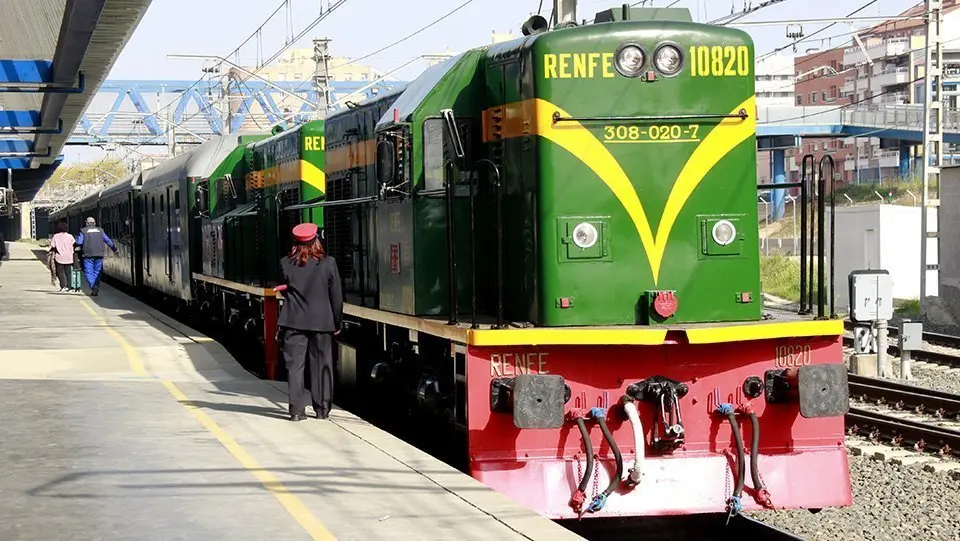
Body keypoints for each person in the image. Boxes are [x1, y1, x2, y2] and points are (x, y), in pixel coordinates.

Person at [276, 222, 343, 422]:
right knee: (322, 364)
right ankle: (322, 409)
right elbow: (336, 296)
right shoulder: (329, 263)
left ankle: (297, 411)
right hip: (322, 323)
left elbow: (284, 289)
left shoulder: (285, 263)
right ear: (317, 240)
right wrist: (337, 322)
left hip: (293, 321)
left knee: (295, 367)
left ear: (295, 242)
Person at [76, 217, 117, 296]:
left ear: (86, 223)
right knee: (97, 272)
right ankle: (96, 286)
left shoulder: (83, 231)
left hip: (88, 255)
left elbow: (79, 242)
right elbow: (108, 241)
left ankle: (93, 286)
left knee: (88, 272)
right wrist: (114, 249)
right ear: (94, 223)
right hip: (99, 254)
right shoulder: (101, 231)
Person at [50, 221, 76, 291]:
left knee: (61, 272)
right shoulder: (70, 236)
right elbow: (74, 244)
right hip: (69, 257)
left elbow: (53, 245)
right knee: (68, 272)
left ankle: (63, 286)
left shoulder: (56, 236)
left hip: (60, 257)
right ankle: (70, 287)